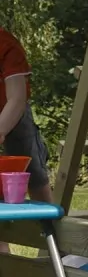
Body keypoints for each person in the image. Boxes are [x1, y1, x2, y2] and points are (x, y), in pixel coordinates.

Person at [0, 27, 53, 253]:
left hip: (13, 108)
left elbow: (17, 98)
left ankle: (50, 240)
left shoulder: (7, 46)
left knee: (33, 171)